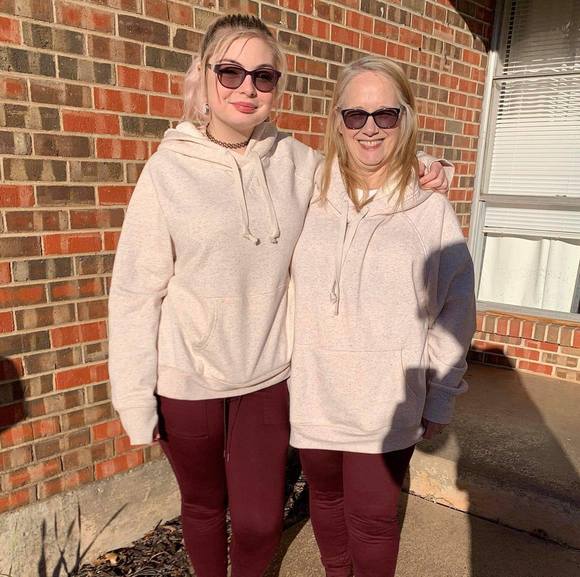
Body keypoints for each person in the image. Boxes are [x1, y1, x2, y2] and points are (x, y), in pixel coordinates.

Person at [108, 14, 450, 577]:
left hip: (268, 377)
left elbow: (367, 165)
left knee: (260, 523)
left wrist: (425, 167)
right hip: (187, 376)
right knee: (202, 506)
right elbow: (134, 292)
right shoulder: (166, 172)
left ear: (276, 86)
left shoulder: (298, 162)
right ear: (204, 75)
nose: (247, 87)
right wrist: (134, 396)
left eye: (263, 76)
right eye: (231, 72)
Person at [288, 55, 476, 577]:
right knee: (325, 503)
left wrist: (441, 392)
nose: (369, 128)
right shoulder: (307, 192)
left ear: (405, 118)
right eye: (355, 115)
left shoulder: (429, 210)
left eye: (385, 115)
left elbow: (456, 309)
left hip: (384, 401)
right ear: (337, 121)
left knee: (372, 520)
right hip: (314, 390)